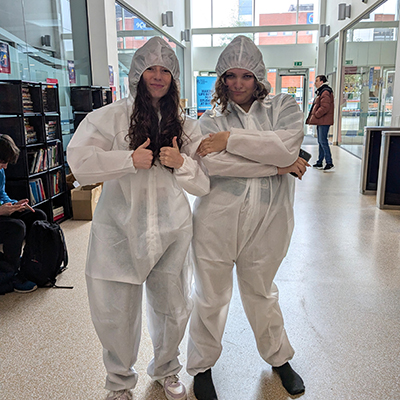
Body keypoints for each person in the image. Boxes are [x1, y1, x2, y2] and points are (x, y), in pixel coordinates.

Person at [67, 37, 209, 400]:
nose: (158, 76)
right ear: (138, 73)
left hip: (172, 228)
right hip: (119, 229)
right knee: (115, 309)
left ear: (174, 77)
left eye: (165, 70)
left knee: (173, 306)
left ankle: (167, 369)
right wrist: (126, 160)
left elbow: (204, 184)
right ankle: (119, 382)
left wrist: (183, 164)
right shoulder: (109, 117)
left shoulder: (186, 124)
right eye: (151, 68)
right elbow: (78, 162)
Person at [186, 35, 308, 399]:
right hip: (215, 221)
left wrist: (230, 140)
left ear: (259, 78)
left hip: (269, 221)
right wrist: (278, 167)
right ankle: (202, 368)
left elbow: (288, 143)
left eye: (246, 76)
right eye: (230, 76)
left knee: (261, 292)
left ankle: (279, 359)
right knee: (210, 296)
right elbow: (211, 164)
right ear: (221, 80)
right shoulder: (209, 120)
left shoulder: (283, 106)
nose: (238, 84)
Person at [0, 134, 47, 293]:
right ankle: (11, 274)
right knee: (16, 227)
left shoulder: (0, 171)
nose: (5, 167)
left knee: (38, 215)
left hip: (2, 212)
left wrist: (14, 204)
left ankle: (29, 262)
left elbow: (2, 194)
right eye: (2, 162)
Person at [306, 74, 335, 172]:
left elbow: (325, 107)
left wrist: (317, 115)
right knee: (320, 141)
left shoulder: (325, 92)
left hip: (323, 120)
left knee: (323, 141)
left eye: (317, 80)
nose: (315, 83)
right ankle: (320, 162)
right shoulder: (322, 91)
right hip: (322, 121)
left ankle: (329, 162)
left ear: (322, 82)